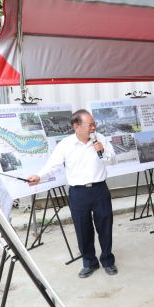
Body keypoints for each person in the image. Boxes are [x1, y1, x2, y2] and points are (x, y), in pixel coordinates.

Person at [28, 109, 117, 278]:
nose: (93, 128)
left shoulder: (101, 139)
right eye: (90, 124)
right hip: (78, 193)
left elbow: (112, 160)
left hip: (100, 189)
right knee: (83, 230)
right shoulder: (66, 144)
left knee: (105, 226)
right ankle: (89, 263)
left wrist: (103, 150)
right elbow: (52, 165)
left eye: (94, 124)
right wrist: (39, 176)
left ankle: (107, 260)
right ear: (76, 126)